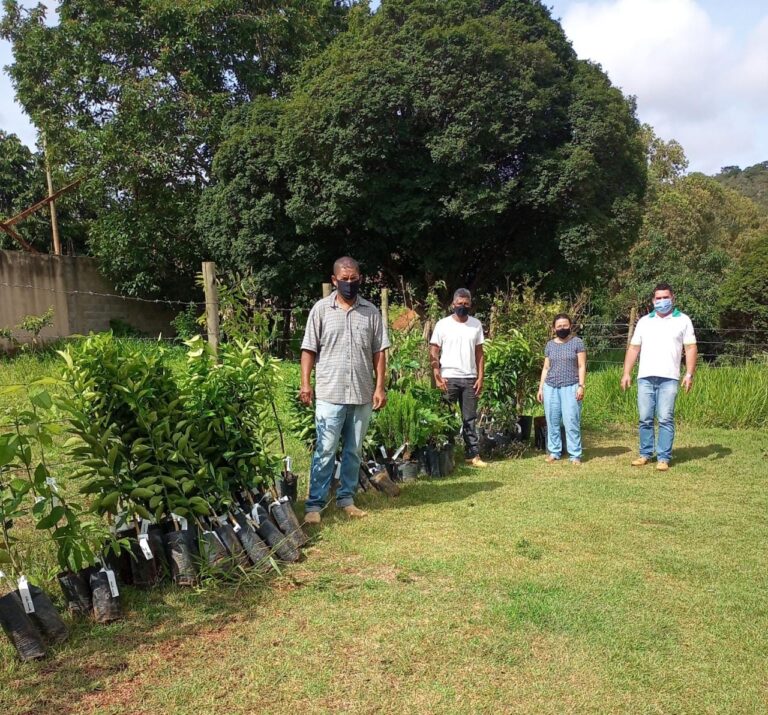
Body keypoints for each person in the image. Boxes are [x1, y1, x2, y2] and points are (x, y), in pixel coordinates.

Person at [300, 257, 389, 524]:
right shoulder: (320, 310)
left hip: (361, 393)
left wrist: (380, 387)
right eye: (344, 279)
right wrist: (305, 383)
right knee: (325, 449)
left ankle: (346, 499)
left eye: (354, 279)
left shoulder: (371, 312)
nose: (349, 283)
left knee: (353, 450)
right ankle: (314, 504)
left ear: (360, 278)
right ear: (334, 280)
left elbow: (379, 352)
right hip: (330, 393)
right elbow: (308, 349)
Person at [621, 282, 697, 471]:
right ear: (653, 300)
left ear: (672, 298)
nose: (662, 301)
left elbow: (690, 348)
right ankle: (645, 454)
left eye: (665, 297)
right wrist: (626, 373)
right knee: (645, 418)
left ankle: (663, 457)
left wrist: (689, 373)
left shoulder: (683, 320)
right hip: (645, 377)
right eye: (658, 298)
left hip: (669, 378)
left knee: (665, 418)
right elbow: (634, 348)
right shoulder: (644, 321)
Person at [429, 288, 488, 467]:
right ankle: (447, 454)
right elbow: (434, 350)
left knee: (470, 418)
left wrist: (480, 377)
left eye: (466, 304)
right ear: (453, 304)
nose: (462, 306)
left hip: (470, 378)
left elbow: (479, 353)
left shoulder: (476, 324)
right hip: (448, 378)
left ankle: (473, 455)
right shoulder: (442, 325)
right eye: (459, 303)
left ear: (470, 305)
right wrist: (437, 376)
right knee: (445, 418)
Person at [536, 313, 586, 465]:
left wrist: (581, 386)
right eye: (559, 326)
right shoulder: (550, 345)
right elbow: (546, 367)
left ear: (570, 326)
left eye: (565, 325)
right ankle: (554, 452)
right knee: (552, 421)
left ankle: (575, 454)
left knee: (571, 421)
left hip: (571, 386)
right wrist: (541, 388)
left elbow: (582, 366)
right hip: (550, 387)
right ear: (554, 328)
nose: (562, 328)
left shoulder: (577, 343)